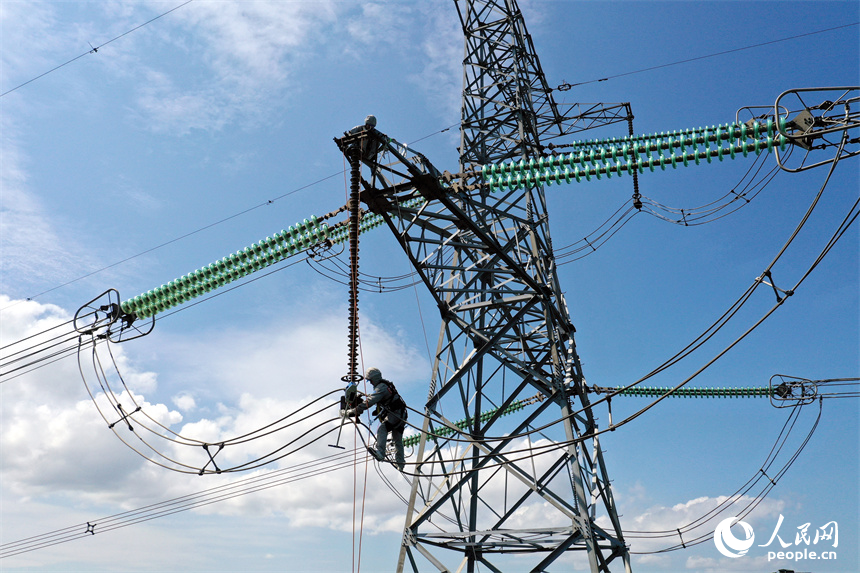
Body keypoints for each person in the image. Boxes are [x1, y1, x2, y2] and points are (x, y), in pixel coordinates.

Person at [351, 367, 407, 471]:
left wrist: (356, 410)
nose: (370, 383)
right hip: (400, 414)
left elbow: (370, 401)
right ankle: (400, 463)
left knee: (383, 428)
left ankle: (380, 453)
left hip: (396, 414)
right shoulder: (384, 385)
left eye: (370, 380)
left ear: (374, 378)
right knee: (397, 438)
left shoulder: (381, 388)